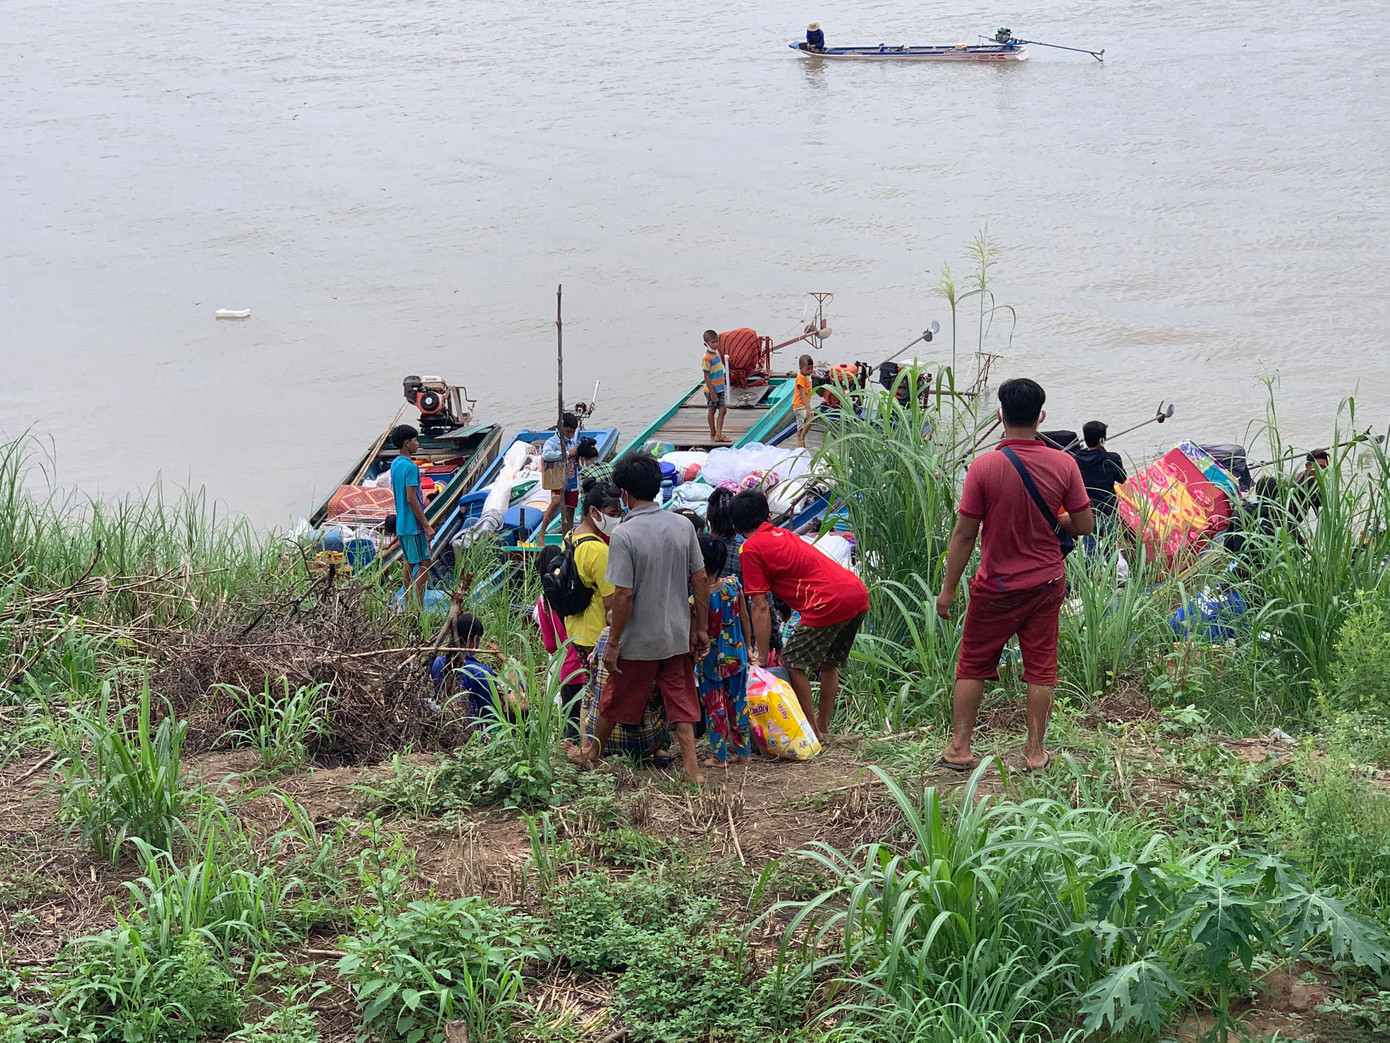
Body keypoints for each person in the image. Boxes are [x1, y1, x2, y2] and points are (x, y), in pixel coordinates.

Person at [936, 378, 1094, 774]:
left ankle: (960, 748)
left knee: (973, 664)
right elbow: (1085, 525)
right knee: (1041, 667)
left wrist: (948, 590)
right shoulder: (1065, 464)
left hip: (996, 586)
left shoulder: (984, 467)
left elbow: (965, 534)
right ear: (1041, 417)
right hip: (1046, 584)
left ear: (1000, 415)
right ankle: (1035, 753)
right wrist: (1059, 519)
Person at [583, 452, 709, 784]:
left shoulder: (624, 534)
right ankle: (692, 769)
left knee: (614, 698)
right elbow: (699, 577)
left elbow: (623, 595)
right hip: (676, 634)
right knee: (680, 700)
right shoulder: (683, 525)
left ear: (624, 493)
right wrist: (701, 628)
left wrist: (613, 643)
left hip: (639, 639)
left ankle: (592, 756)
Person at [729, 489, 869, 741]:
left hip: (826, 602)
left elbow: (760, 606)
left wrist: (763, 656)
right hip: (856, 593)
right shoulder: (783, 534)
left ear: (736, 527)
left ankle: (812, 732)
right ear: (768, 516)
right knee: (829, 663)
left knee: (793, 661)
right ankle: (823, 729)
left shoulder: (750, 549)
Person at [563, 480, 624, 721]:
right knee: (602, 694)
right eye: (613, 514)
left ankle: (585, 735)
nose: (617, 519)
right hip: (596, 633)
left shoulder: (571, 536)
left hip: (576, 630)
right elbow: (611, 605)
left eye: (619, 514)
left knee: (590, 690)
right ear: (593, 512)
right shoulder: (599, 551)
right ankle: (591, 736)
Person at [695, 535, 754, 767]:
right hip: (736, 653)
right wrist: (748, 646)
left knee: (715, 706)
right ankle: (744, 752)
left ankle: (720, 757)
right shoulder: (733, 585)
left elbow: (694, 632)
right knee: (739, 702)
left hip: (710, 660)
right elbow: (745, 618)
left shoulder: (696, 598)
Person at [430, 613, 525, 725]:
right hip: (475, 728)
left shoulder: (437, 663)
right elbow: (489, 714)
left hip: (443, 721)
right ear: (474, 639)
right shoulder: (483, 673)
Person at [533, 546, 586, 736]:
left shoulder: (544, 602)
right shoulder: (578, 590)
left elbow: (550, 645)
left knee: (571, 724)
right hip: (589, 661)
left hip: (567, 668)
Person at [388, 424, 434, 605]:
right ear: (407, 443)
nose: (418, 443)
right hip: (413, 525)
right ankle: (418, 606)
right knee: (425, 562)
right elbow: (411, 498)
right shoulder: (411, 467)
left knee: (408, 562)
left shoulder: (395, 464)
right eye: (415, 440)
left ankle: (407, 602)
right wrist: (426, 525)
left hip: (401, 523)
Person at [1073, 421, 1127, 534]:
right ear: (1102, 439)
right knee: (1110, 542)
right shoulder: (1112, 458)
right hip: (1108, 510)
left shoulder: (1075, 460)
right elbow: (1122, 478)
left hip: (1087, 512)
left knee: (1090, 544)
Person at [537, 412, 580, 539]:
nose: (570, 435)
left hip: (571, 478)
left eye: (572, 432)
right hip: (557, 479)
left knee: (570, 509)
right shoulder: (552, 442)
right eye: (568, 432)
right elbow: (546, 455)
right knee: (556, 501)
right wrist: (566, 453)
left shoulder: (572, 442)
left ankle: (567, 537)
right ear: (560, 429)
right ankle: (541, 533)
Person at [702, 330, 730, 444]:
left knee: (723, 410)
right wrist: (712, 392)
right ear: (706, 344)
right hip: (712, 390)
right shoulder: (707, 358)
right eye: (712, 342)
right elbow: (706, 376)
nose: (715, 344)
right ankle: (713, 432)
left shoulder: (716, 353)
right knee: (712, 410)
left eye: (716, 342)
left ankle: (718, 434)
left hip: (720, 388)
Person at [794, 354, 817, 449]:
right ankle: (801, 439)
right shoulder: (800, 378)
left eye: (811, 368)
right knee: (811, 418)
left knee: (801, 428)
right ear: (800, 367)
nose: (810, 371)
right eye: (808, 369)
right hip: (800, 406)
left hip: (802, 405)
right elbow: (802, 393)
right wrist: (808, 408)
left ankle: (801, 445)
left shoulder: (806, 378)